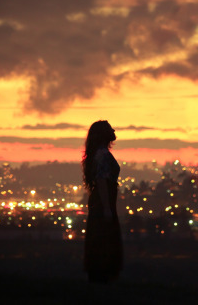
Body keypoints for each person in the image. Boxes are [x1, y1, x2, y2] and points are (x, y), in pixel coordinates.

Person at [82, 120, 123, 283]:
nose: (113, 130)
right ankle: (104, 273)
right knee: (105, 237)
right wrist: (107, 208)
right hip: (103, 202)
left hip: (100, 201)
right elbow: (102, 182)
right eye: (109, 128)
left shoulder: (98, 153)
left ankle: (99, 273)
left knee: (99, 237)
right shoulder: (103, 155)